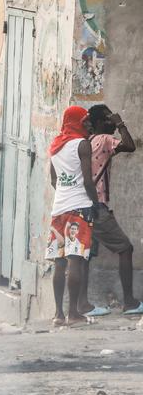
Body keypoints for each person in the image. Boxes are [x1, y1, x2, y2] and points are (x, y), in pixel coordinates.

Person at [77, 105, 143, 316]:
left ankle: (83, 305)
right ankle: (130, 302)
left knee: (84, 256)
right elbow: (130, 145)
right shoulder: (104, 139)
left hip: (80, 205)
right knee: (125, 248)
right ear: (99, 123)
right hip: (96, 206)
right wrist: (120, 123)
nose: (110, 123)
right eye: (107, 119)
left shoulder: (85, 143)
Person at [47, 105, 98, 327]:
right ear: (76, 122)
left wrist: (64, 192)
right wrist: (95, 203)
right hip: (80, 207)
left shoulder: (56, 145)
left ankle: (58, 314)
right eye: (85, 121)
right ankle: (74, 314)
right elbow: (88, 180)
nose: (88, 124)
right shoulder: (82, 145)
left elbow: (53, 179)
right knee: (75, 259)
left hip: (59, 209)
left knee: (59, 261)